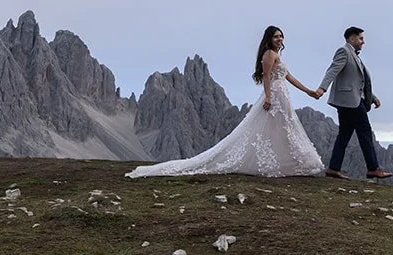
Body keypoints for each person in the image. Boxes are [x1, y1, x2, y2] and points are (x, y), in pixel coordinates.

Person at [126, 26, 326, 178]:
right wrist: (267, 97)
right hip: (274, 95)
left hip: (283, 95)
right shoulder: (268, 55)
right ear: (269, 39)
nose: (280, 39)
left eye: (281, 36)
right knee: (273, 128)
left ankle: (288, 162)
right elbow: (266, 77)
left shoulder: (277, 56)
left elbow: (288, 77)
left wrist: (308, 91)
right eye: (276, 36)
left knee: (284, 128)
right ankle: (279, 163)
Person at [318, 26, 391, 180]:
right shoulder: (344, 52)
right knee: (365, 132)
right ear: (351, 38)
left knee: (344, 134)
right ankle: (373, 168)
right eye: (360, 38)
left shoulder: (355, 56)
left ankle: (333, 168)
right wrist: (322, 89)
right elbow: (332, 70)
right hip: (350, 102)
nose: (363, 42)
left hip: (350, 101)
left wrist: (372, 97)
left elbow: (358, 82)